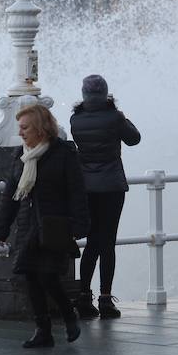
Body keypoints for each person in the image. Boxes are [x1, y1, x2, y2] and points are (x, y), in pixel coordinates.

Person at [0, 103, 90, 348]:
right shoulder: (21, 156)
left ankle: (68, 314)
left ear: (40, 128)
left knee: (47, 276)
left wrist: (80, 225)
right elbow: (10, 196)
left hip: (53, 225)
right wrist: (1, 229)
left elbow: (77, 191)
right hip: (28, 226)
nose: (21, 133)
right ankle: (42, 330)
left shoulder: (63, 154)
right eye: (20, 128)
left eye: (25, 128)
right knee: (30, 277)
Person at [70, 74, 141, 319]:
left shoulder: (75, 120)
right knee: (107, 243)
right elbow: (134, 139)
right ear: (105, 92)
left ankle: (82, 296)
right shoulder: (114, 118)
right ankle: (105, 299)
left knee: (92, 242)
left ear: (84, 94)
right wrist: (121, 116)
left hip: (87, 188)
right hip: (111, 187)